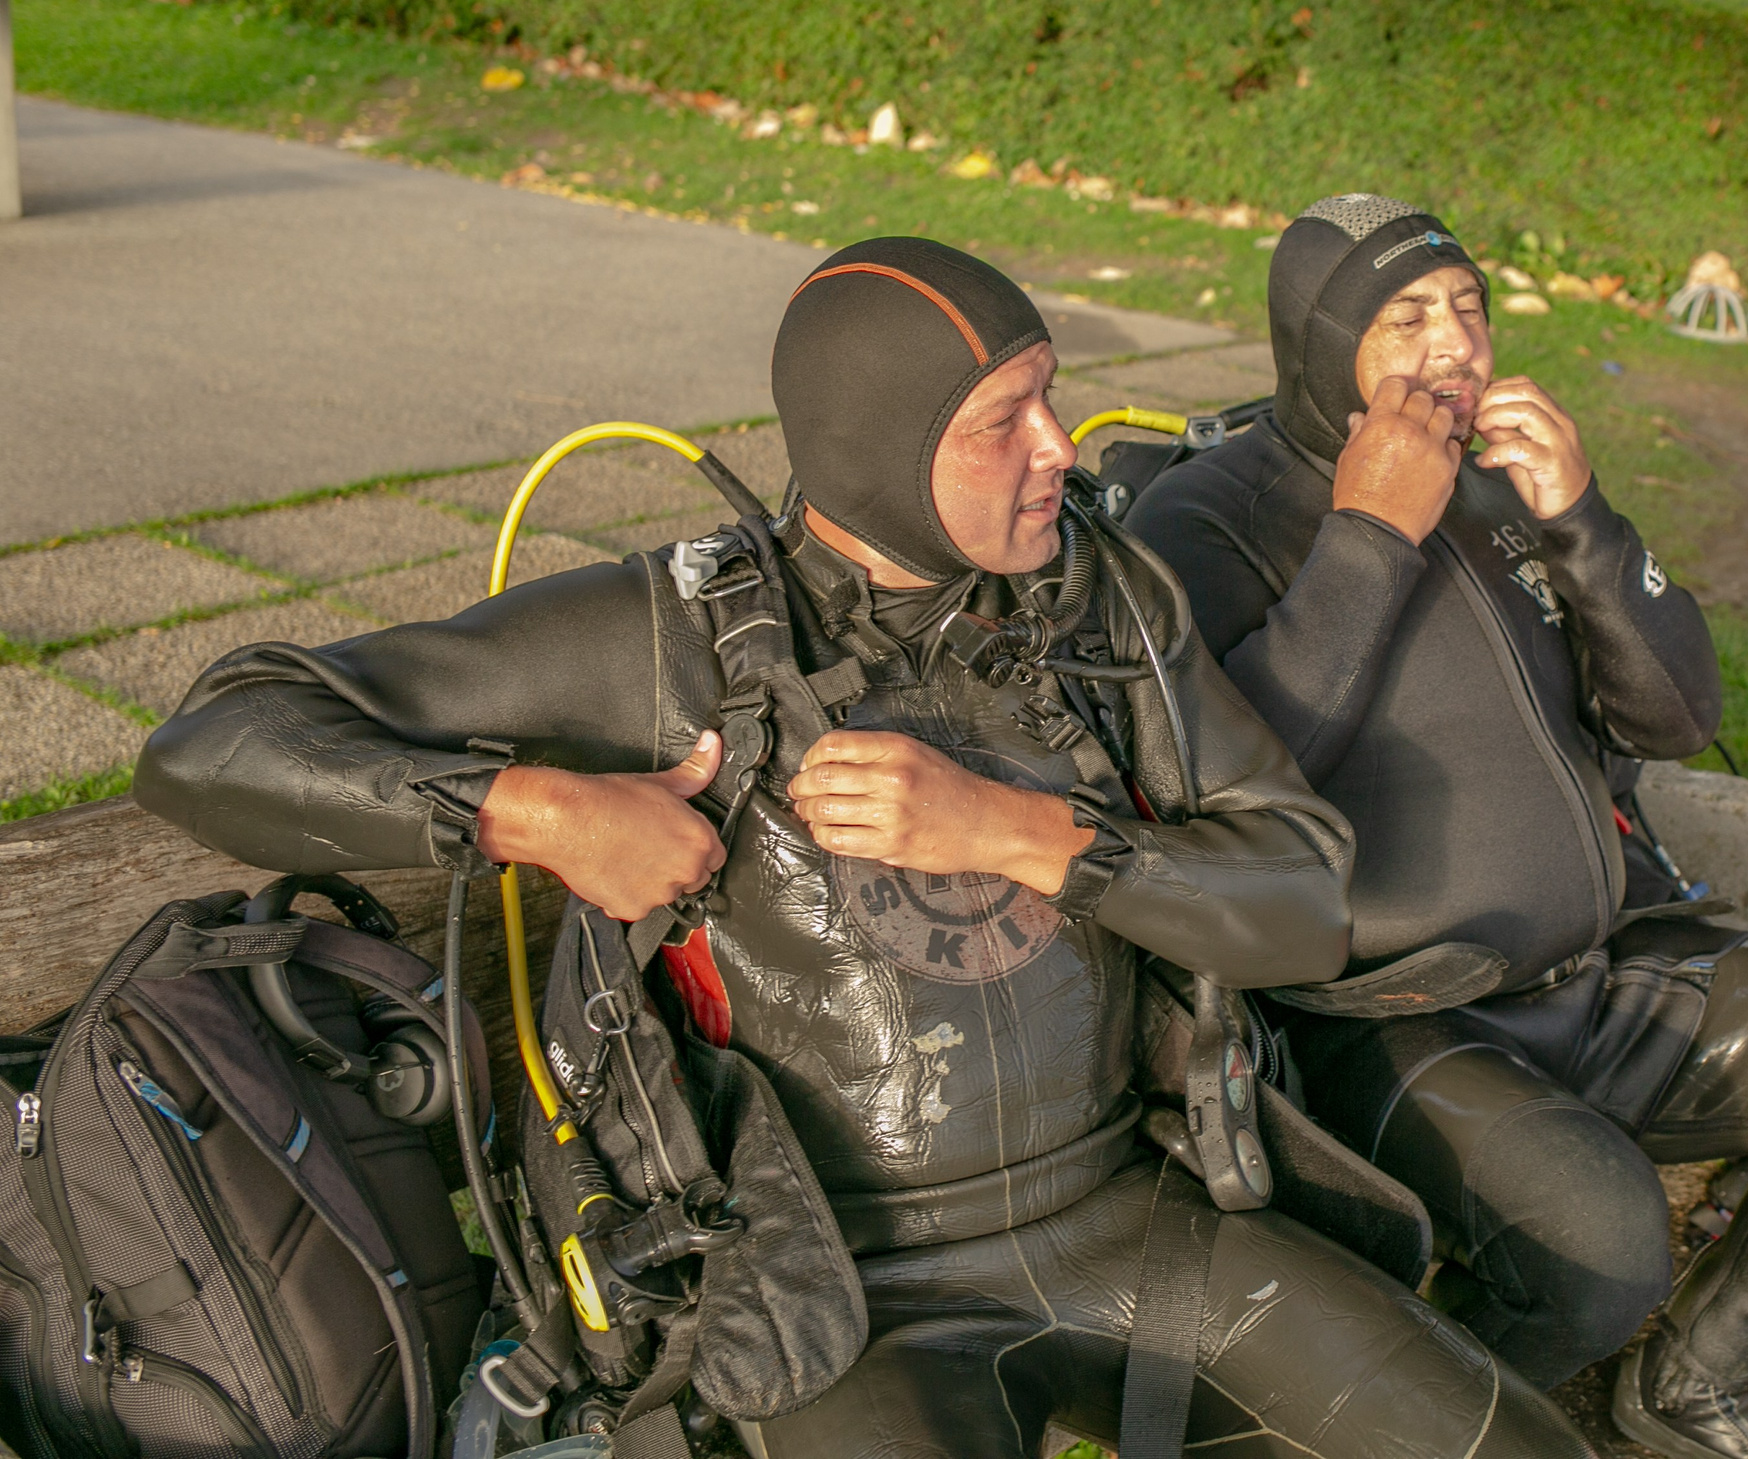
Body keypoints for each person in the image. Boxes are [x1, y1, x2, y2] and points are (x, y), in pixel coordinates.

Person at [135, 239, 1595, 1459]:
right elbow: (212, 740)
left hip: (1135, 1211)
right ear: (882, 446)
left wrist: (1023, 833)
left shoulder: (1099, 602)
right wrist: (544, 812)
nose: (1059, 450)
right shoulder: (662, 638)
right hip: (838, 1289)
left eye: (1052, 401)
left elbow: (1303, 909)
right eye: (1002, 419)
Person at [1127, 197, 1748, 1459]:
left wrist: (1582, 519)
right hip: (1397, 1015)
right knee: (1601, 1247)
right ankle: (1408, 1418)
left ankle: (1692, 1380)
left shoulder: (1507, 486)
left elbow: (1677, 714)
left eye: (1470, 310)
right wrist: (1369, 532)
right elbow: (1227, 792)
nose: (1454, 347)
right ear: (1319, 345)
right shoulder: (1209, 516)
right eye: (1407, 318)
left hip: (1609, 966)